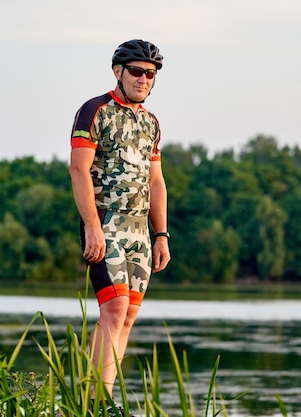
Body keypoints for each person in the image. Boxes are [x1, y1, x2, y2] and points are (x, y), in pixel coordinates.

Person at [69, 39, 171, 409]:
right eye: (137, 72)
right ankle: (97, 402)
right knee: (112, 309)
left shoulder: (151, 122)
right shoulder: (94, 111)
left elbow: (156, 181)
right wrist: (92, 227)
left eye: (151, 74)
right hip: (105, 224)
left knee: (128, 315)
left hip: (141, 231)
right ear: (118, 72)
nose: (144, 79)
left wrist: (161, 235)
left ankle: (100, 400)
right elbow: (78, 170)